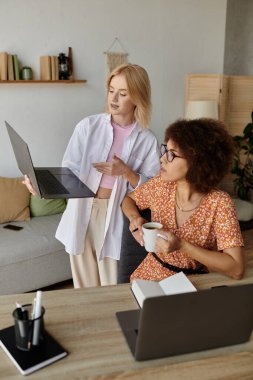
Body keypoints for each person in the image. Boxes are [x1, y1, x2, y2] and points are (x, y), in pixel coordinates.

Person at [24, 63, 160, 288]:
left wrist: (126, 172)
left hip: (116, 214)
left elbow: (153, 190)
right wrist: (42, 185)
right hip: (82, 210)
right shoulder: (88, 126)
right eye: (111, 90)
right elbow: (70, 172)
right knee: (83, 287)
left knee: (112, 286)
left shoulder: (147, 139)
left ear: (137, 97)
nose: (114, 98)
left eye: (123, 94)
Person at [121, 118, 245, 282]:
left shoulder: (220, 203)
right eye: (165, 150)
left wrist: (182, 246)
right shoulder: (161, 185)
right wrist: (134, 217)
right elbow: (128, 199)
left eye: (172, 154)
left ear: (197, 162)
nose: (163, 158)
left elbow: (236, 269)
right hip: (150, 277)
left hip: (195, 282)